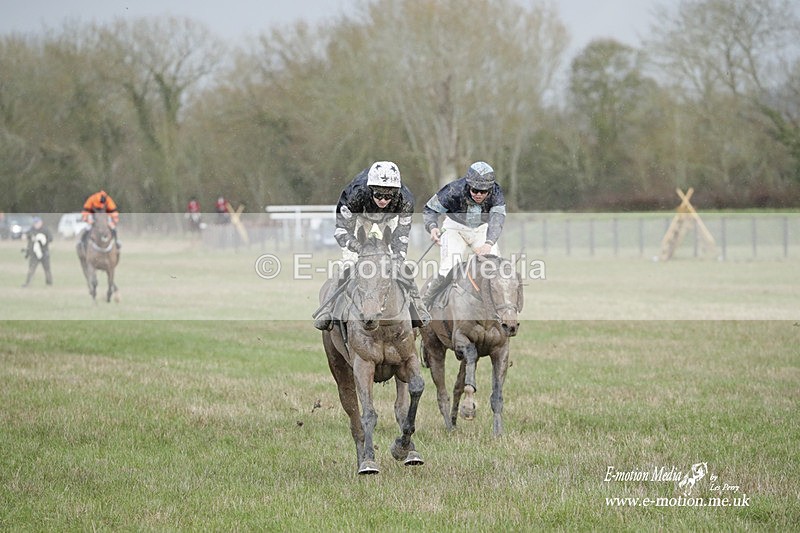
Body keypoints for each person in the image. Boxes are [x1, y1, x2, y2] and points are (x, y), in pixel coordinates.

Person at [313, 160, 431, 331]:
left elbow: (402, 235)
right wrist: (359, 249)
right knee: (349, 263)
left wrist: (397, 257)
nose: (383, 200)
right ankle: (328, 310)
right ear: (370, 190)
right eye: (378, 195)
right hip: (359, 220)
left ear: (396, 193)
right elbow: (341, 231)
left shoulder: (406, 200)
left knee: (398, 265)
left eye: (389, 196)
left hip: (388, 222)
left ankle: (418, 307)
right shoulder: (355, 195)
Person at [422, 161, 507, 305]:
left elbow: (497, 220)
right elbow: (430, 209)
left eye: (484, 191)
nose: (479, 194)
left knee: (495, 269)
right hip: (455, 228)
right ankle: (425, 303)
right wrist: (432, 227)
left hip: (481, 229)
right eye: (475, 190)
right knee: (450, 266)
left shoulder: (496, 193)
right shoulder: (453, 190)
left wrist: (489, 243)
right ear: (468, 185)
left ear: (490, 189)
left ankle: (500, 309)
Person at [22, 217, 53, 287]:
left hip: (44, 253)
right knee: (31, 269)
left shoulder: (45, 230)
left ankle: (49, 283)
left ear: (40, 223)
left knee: (47, 269)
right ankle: (27, 283)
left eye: (37, 223)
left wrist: (45, 243)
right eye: (34, 223)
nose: (35, 224)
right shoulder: (31, 230)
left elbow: (50, 239)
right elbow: (24, 236)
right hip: (34, 254)